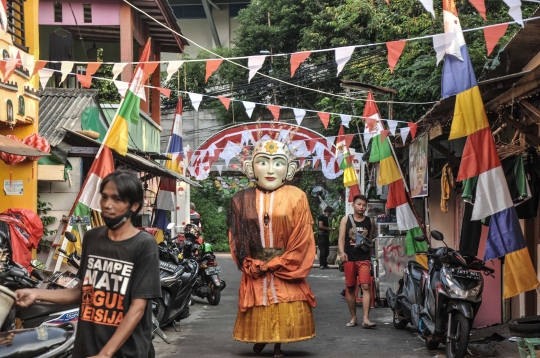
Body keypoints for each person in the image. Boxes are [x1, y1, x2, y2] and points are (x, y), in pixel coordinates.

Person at [15, 170, 161, 358]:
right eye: (105, 197)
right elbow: (81, 292)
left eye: (117, 199)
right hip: (87, 347)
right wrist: (36, 294)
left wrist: (106, 354)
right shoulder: (92, 238)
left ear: (134, 206)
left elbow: (138, 307)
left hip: (124, 351)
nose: (107, 205)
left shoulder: (144, 245)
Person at [228, 138, 316, 358]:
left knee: (282, 304)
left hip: (286, 266)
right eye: (263, 162)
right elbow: (236, 237)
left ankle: (278, 345)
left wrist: (280, 262)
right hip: (255, 266)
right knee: (261, 305)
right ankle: (263, 338)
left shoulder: (297, 197)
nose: (270, 169)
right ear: (250, 168)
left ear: (289, 169)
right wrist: (250, 262)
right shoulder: (240, 200)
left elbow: (302, 238)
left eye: (277, 162)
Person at [338, 194, 377, 328]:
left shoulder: (369, 222)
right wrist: (342, 252)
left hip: (364, 259)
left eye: (364, 205)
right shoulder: (345, 220)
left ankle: (366, 319)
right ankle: (353, 317)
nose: (362, 207)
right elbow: (341, 238)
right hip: (349, 259)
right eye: (359, 204)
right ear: (353, 205)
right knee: (350, 289)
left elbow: (370, 242)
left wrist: (370, 258)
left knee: (366, 286)